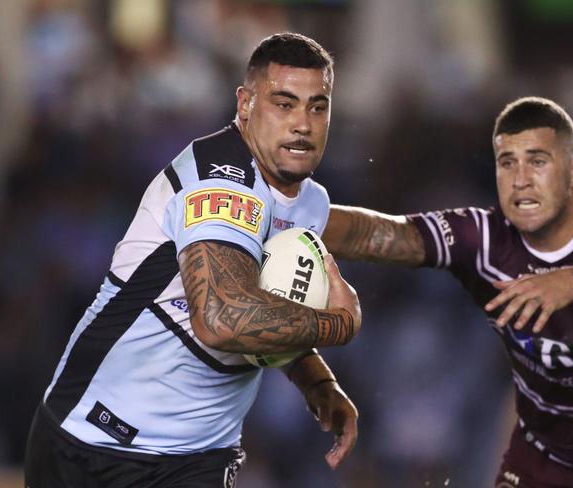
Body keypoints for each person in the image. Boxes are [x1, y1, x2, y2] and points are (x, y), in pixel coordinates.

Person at [24, 32, 362, 488]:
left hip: (200, 457)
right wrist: (340, 323)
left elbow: (272, 308)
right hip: (92, 446)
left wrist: (316, 381)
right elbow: (222, 319)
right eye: (284, 104)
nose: (303, 122)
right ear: (245, 104)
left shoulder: (309, 205)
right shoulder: (215, 179)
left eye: (317, 106)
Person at [322, 96, 573, 487]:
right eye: (507, 163)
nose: (521, 179)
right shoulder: (484, 238)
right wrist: (287, 218)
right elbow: (380, 235)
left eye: (538, 162)